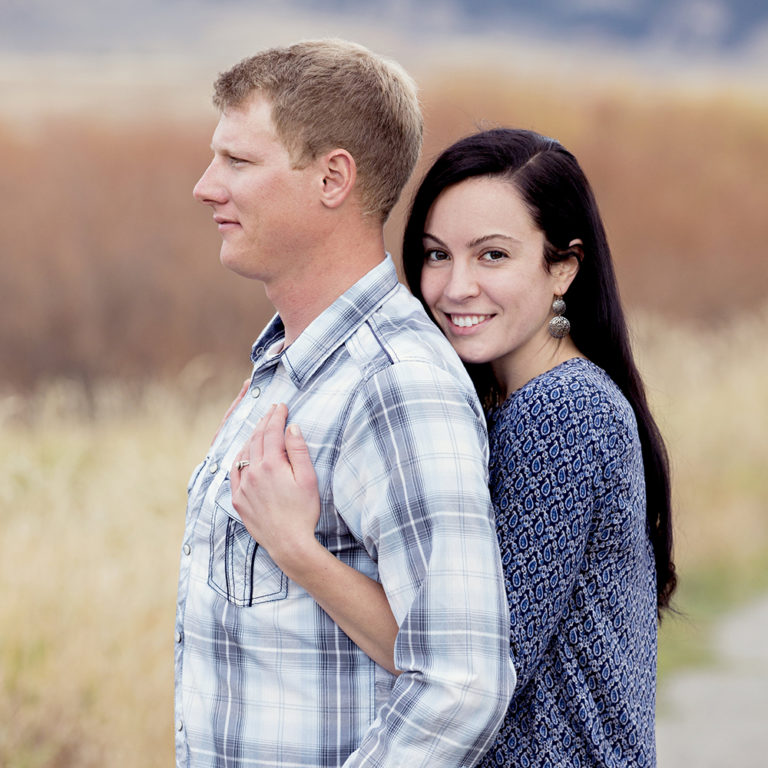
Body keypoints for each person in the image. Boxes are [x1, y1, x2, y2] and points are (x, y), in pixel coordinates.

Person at [244, 127, 676, 767]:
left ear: (563, 266)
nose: (455, 288)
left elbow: (467, 665)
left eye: (492, 256)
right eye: (437, 255)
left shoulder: (564, 411)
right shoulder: (518, 402)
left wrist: (295, 548)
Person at [175, 40, 515, 768]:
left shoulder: (397, 385)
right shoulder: (288, 370)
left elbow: (462, 684)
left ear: (333, 178)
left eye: (238, 162)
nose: (206, 187)